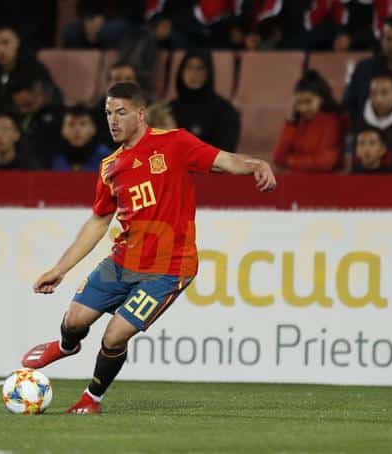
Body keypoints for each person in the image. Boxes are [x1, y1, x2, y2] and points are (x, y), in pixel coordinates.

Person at [20, 81, 276, 414]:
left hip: (168, 268)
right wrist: (59, 269)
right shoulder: (110, 167)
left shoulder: (175, 143)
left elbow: (223, 160)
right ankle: (67, 347)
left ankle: (91, 398)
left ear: (141, 114)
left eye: (121, 112)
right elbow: (99, 221)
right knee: (74, 320)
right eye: (108, 113)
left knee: (113, 337)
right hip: (123, 261)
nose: (113, 120)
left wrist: (256, 164)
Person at [273, 70, 345, 173]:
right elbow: (278, 158)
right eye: (299, 102)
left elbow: (325, 162)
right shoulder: (295, 122)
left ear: (322, 98)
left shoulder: (333, 120)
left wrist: (290, 160)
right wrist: (291, 122)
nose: (303, 108)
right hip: (295, 182)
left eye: (308, 101)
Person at [169, 49, 240, 152]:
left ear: (209, 72)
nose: (194, 74)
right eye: (189, 67)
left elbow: (225, 153)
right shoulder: (169, 109)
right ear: (181, 71)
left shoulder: (225, 111)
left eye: (200, 68)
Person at [347, 72, 392, 172]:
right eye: (373, 93)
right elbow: (351, 161)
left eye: (384, 92)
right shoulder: (357, 123)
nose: (378, 98)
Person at [52, 104, 111, 171]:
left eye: (83, 124)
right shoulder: (56, 160)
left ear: (93, 129)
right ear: (62, 130)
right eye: (71, 124)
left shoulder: (107, 158)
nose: (77, 130)